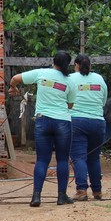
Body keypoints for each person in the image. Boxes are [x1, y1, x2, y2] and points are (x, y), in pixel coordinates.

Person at [9, 51, 76, 207]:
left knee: (42, 160)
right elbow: (70, 105)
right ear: (68, 64)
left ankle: (36, 197)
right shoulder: (70, 82)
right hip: (62, 122)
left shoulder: (41, 73)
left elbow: (15, 79)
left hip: (42, 121)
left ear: (53, 61)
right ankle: (61, 196)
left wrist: (13, 88)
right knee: (62, 160)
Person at [68, 54, 108, 201]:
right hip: (98, 122)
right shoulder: (99, 79)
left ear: (76, 65)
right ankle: (97, 191)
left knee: (79, 157)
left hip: (77, 121)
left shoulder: (70, 78)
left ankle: (81, 190)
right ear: (90, 65)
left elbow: (66, 99)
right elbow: (103, 101)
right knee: (94, 158)